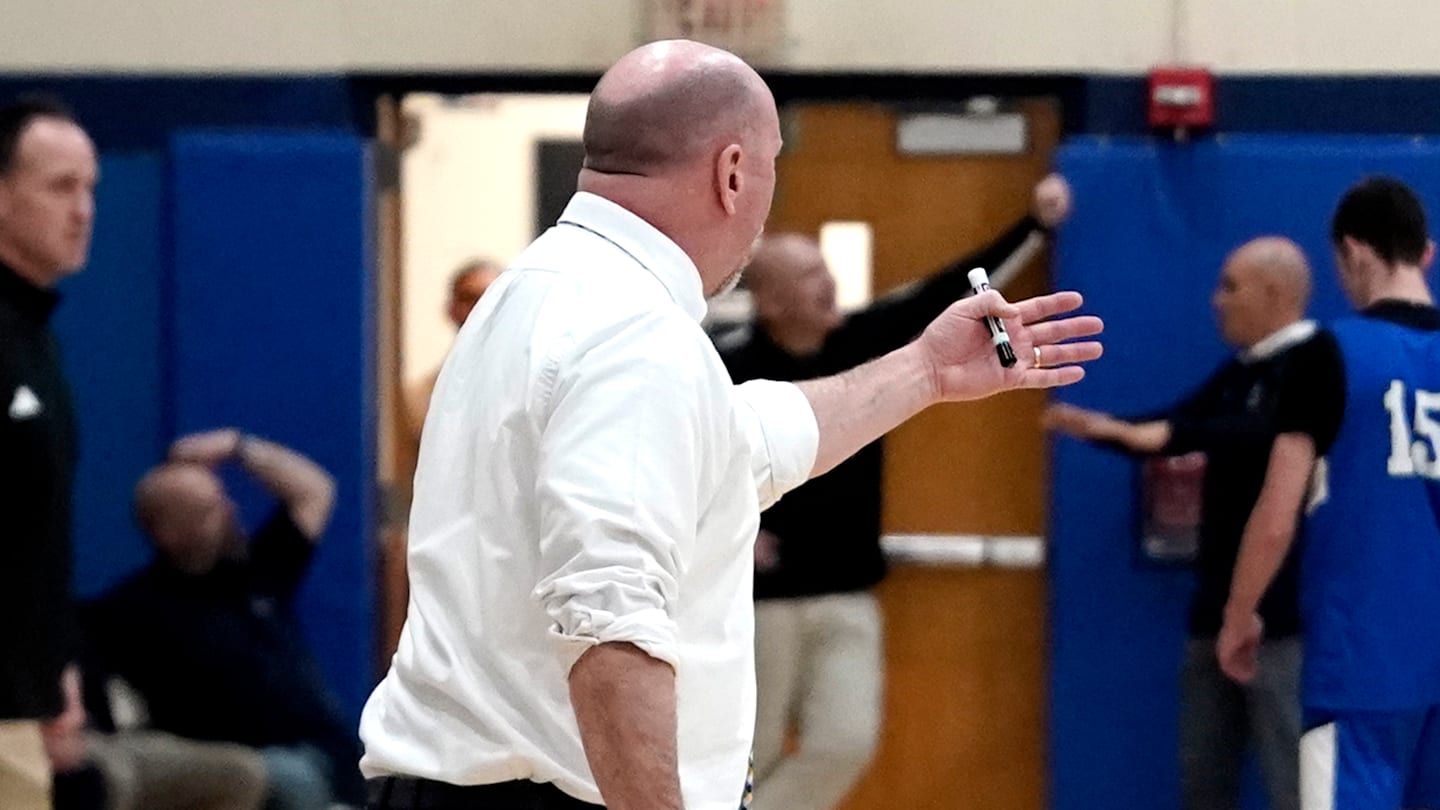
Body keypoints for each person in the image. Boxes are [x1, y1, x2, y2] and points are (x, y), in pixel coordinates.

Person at [358, 39, 1102, 810]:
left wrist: (925, 371)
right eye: (773, 166)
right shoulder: (634, 331)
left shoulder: (538, 289)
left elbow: (742, 443)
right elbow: (608, 620)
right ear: (734, 172)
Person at [719, 174, 1072, 810]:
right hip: (759, 603)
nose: (827, 282)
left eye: (824, 269)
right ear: (768, 300)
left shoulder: (864, 340)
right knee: (750, 752)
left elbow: (951, 289)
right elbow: (681, 466)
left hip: (849, 592)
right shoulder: (726, 367)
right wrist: (729, 532)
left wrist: (1036, 225)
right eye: (807, 275)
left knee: (845, 742)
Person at [1045, 236, 1326, 810]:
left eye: (1230, 287)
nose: (1217, 300)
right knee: (1203, 781)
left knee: (1293, 784)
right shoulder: (1240, 371)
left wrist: (1168, 435)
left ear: (1273, 293)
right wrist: (1105, 429)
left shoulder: (1318, 362)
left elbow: (1251, 436)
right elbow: (1174, 425)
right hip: (1212, 613)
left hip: (1281, 623)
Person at [1218, 177, 1440, 809]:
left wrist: (1240, 614)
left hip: (1363, 661)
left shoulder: (1332, 353)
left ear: (1354, 252)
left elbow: (1276, 515)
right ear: (1427, 253)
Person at [85, 429, 365, 810]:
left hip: (334, 753)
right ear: (167, 533)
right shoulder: (131, 612)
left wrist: (236, 446)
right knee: (291, 777)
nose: (230, 511)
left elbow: (314, 491)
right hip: (252, 772)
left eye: (222, 498)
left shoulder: (253, 570)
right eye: (209, 509)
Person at [0, 95, 99, 810]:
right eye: (61, 187)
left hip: (23, 702)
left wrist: (57, 663)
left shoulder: (37, 337)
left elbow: (35, 530)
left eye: (90, 188)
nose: (83, 210)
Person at [402, 258, 503, 442]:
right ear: (450, 309)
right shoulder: (418, 401)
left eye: (490, 297)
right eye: (469, 299)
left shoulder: (533, 390)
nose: (479, 308)